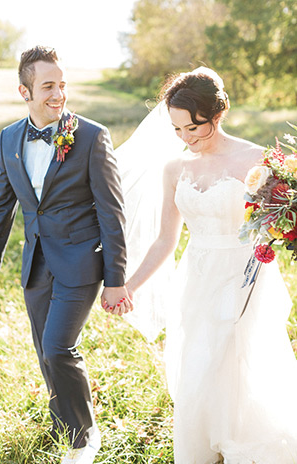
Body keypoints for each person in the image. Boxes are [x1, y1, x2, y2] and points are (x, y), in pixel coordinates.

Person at [120, 67, 297, 463]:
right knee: (198, 364)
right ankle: (206, 446)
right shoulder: (175, 169)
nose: (186, 139)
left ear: (218, 114)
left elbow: (280, 221)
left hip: (246, 279)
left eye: (194, 128)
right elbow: (166, 240)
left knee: (239, 362)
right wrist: (130, 285)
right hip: (197, 278)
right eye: (178, 130)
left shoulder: (257, 160)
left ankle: (244, 445)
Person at [0, 46, 133, 464]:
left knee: (57, 348)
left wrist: (115, 277)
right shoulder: (9, 137)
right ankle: (63, 422)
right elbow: (1, 205)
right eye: (48, 86)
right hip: (35, 262)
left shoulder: (91, 136)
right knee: (42, 350)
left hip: (80, 262)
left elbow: (112, 211)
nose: (58, 95)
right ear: (24, 91)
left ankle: (85, 437)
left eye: (62, 85)